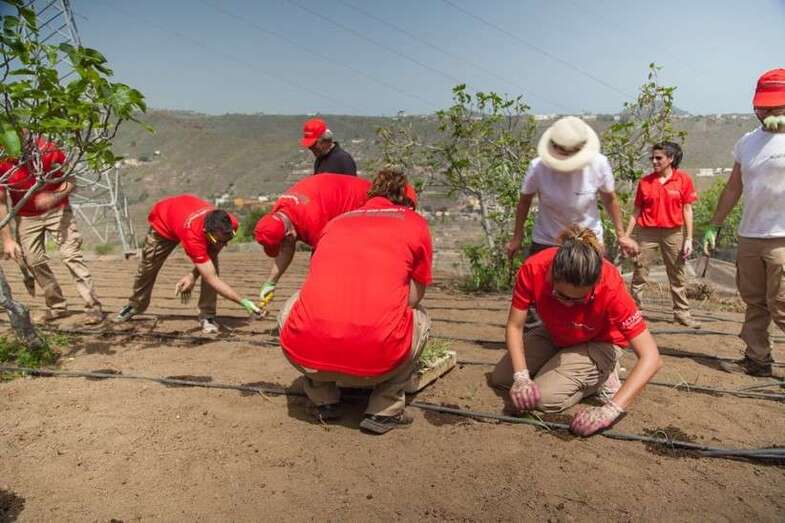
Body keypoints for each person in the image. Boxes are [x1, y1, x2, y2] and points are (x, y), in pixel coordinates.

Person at [278, 168, 431, 435]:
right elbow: (413, 297)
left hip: (308, 354)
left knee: (295, 303)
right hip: (379, 360)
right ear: (407, 202)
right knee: (420, 317)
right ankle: (385, 409)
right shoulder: (415, 224)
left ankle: (323, 399)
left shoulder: (336, 222)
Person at [492, 226, 662, 436]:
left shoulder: (610, 285)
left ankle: (604, 373)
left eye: (581, 299)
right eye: (561, 296)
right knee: (501, 378)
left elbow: (651, 357)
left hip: (600, 341)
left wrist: (610, 410)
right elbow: (515, 326)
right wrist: (521, 378)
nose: (570, 305)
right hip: (556, 332)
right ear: (551, 276)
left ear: (595, 284)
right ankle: (566, 363)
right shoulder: (534, 268)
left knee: (543, 399)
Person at [702, 68, 785, 377]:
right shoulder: (747, 142)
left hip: (782, 238)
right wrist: (714, 225)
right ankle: (757, 360)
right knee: (755, 302)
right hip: (751, 235)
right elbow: (733, 187)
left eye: (775, 106)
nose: (767, 112)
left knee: (782, 305)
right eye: (763, 107)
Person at [254, 173, 416, 308]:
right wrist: (271, 282)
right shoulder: (280, 211)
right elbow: (287, 246)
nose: (282, 247)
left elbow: (324, 263)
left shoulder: (313, 221)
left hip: (367, 202)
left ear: (289, 233)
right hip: (338, 200)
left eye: (281, 243)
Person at [114, 194, 262, 333]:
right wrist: (243, 302)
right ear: (206, 232)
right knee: (148, 265)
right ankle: (135, 305)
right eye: (219, 241)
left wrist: (192, 275)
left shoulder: (230, 225)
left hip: (185, 212)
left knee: (211, 265)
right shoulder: (194, 238)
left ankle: (207, 315)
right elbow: (212, 279)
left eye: (228, 239)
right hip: (164, 223)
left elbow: (211, 258)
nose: (223, 245)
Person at [0, 136, 105, 324]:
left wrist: (54, 196)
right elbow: (0, 202)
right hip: (25, 215)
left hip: (57, 210)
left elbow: (71, 180)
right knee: (33, 260)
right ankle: (57, 306)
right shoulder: (2, 157)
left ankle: (93, 306)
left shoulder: (46, 148)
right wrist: (7, 240)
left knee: (71, 255)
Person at [506, 116, 638, 260]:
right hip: (547, 241)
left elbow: (610, 200)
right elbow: (524, 202)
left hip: (588, 240)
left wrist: (622, 236)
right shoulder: (538, 167)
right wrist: (516, 238)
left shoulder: (598, 164)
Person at [626, 142, 700, 328]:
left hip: (673, 233)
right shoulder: (645, 182)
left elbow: (687, 210)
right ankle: (634, 312)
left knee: (677, 274)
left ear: (671, 159)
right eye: (653, 157)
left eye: (658, 158)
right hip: (647, 233)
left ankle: (682, 313)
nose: (654, 161)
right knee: (640, 272)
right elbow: (636, 211)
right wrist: (626, 235)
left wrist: (689, 238)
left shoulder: (683, 180)